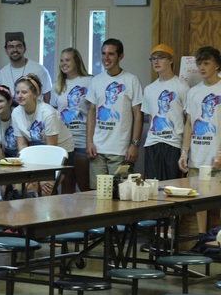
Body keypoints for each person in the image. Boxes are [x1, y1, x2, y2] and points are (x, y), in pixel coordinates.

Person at [86, 38, 143, 189]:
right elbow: (91, 111)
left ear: (120, 56)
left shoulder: (131, 80)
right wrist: (89, 142)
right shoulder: (96, 81)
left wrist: (134, 144)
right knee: (97, 193)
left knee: (120, 194)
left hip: (120, 151)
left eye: (111, 54)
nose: (106, 58)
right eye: (103, 54)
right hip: (97, 151)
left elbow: (138, 115)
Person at [179, 46, 221, 234]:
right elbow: (189, 123)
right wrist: (184, 152)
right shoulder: (194, 92)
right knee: (199, 200)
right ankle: (202, 238)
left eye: (206, 63)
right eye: (199, 64)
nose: (202, 67)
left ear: (217, 65)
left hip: (217, 154)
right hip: (198, 155)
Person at [12, 74, 75, 194]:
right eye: (17, 92)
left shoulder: (48, 113)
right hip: (36, 153)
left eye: (24, 92)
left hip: (60, 153)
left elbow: (52, 150)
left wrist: (42, 178)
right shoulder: (16, 112)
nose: (19, 96)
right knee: (29, 186)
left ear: (35, 94)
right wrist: (30, 174)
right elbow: (22, 146)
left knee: (46, 188)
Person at [142, 44, 188, 180]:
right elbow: (151, 117)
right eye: (153, 58)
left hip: (173, 144)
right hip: (152, 143)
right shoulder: (149, 89)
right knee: (152, 186)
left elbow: (188, 120)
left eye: (161, 58)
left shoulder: (182, 87)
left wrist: (184, 151)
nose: (156, 61)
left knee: (172, 187)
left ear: (171, 60)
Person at [51, 47, 93, 192]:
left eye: (67, 60)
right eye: (62, 60)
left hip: (82, 141)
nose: (64, 63)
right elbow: (53, 114)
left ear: (76, 61)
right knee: (66, 186)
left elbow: (94, 111)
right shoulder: (57, 85)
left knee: (85, 186)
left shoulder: (89, 81)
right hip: (63, 142)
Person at [0, 31, 53, 103]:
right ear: (6, 50)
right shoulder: (1, 74)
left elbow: (48, 99)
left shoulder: (39, 70)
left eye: (18, 46)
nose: (15, 50)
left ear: (25, 49)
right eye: (11, 47)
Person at [0, 85, 18, 160]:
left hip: (22, 156)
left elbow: (23, 145)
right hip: (6, 156)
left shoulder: (18, 114)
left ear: (10, 102)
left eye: (0, 101)